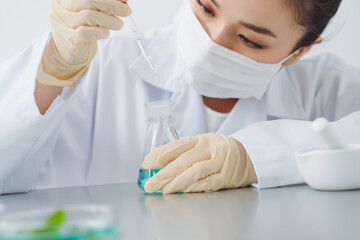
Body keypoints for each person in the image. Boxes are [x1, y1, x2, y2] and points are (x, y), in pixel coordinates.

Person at [0, 0, 359, 195]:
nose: (212, 43)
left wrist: (260, 155)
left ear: (299, 51)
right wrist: (53, 71)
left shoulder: (327, 90)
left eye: (250, 40)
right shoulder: (102, 63)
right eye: (206, 8)